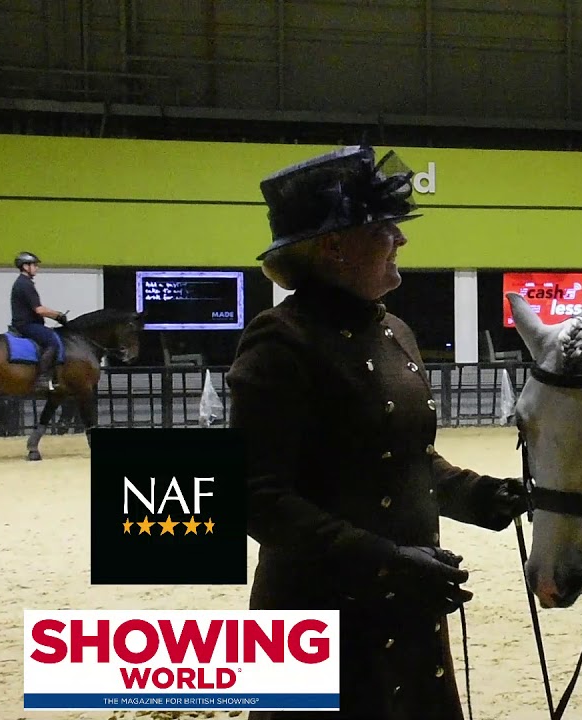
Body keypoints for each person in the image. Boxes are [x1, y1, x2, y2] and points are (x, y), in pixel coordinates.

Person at [226, 145, 529, 720]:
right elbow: (254, 498)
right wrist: (385, 561)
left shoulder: (397, 333)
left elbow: (407, 460)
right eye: (384, 229)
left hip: (408, 611)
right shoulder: (280, 340)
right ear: (334, 247)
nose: (401, 240)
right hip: (318, 620)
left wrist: (480, 494)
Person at [10, 251, 68, 391]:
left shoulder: (23, 283)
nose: (37, 268)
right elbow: (39, 310)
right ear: (25, 267)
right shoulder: (25, 284)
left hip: (23, 323)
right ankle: (41, 379)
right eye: (34, 265)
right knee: (52, 341)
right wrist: (58, 315)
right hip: (27, 325)